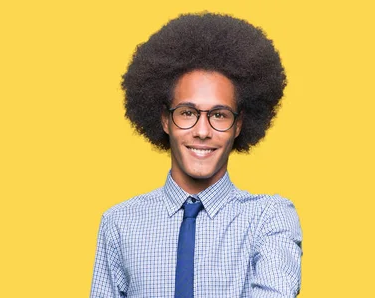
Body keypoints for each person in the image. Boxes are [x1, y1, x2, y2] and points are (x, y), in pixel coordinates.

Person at [90, 12, 302, 298]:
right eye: (187, 113)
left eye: (219, 114)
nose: (203, 131)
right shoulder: (119, 223)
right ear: (165, 120)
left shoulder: (269, 219)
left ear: (238, 125)